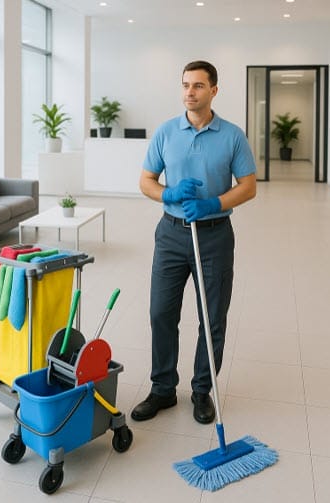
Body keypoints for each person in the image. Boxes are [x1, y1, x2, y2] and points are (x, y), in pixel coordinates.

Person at [131, 60, 256, 424]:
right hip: (171, 233)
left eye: (198, 86)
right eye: (186, 85)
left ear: (214, 91)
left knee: (212, 318)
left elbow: (248, 187)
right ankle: (162, 389)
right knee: (161, 312)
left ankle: (202, 390)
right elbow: (145, 181)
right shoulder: (167, 132)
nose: (190, 92)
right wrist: (169, 193)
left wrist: (213, 203)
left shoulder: (232, 135)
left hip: (215, 236)